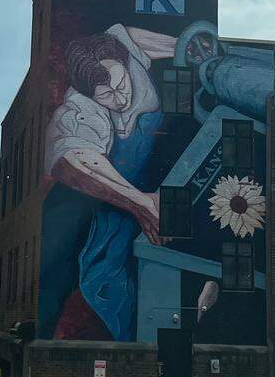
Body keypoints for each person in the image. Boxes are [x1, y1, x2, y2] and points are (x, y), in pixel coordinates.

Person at [40, 23, 177, 342]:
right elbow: (75, 158)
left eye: (121, 84)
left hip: (147, 177)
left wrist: (196, 48)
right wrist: (140, 203)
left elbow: (141, 38)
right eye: (107, 95)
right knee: (92, 280)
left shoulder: (122, 52)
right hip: (95, 201)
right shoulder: (78, 111)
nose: (120, 97)